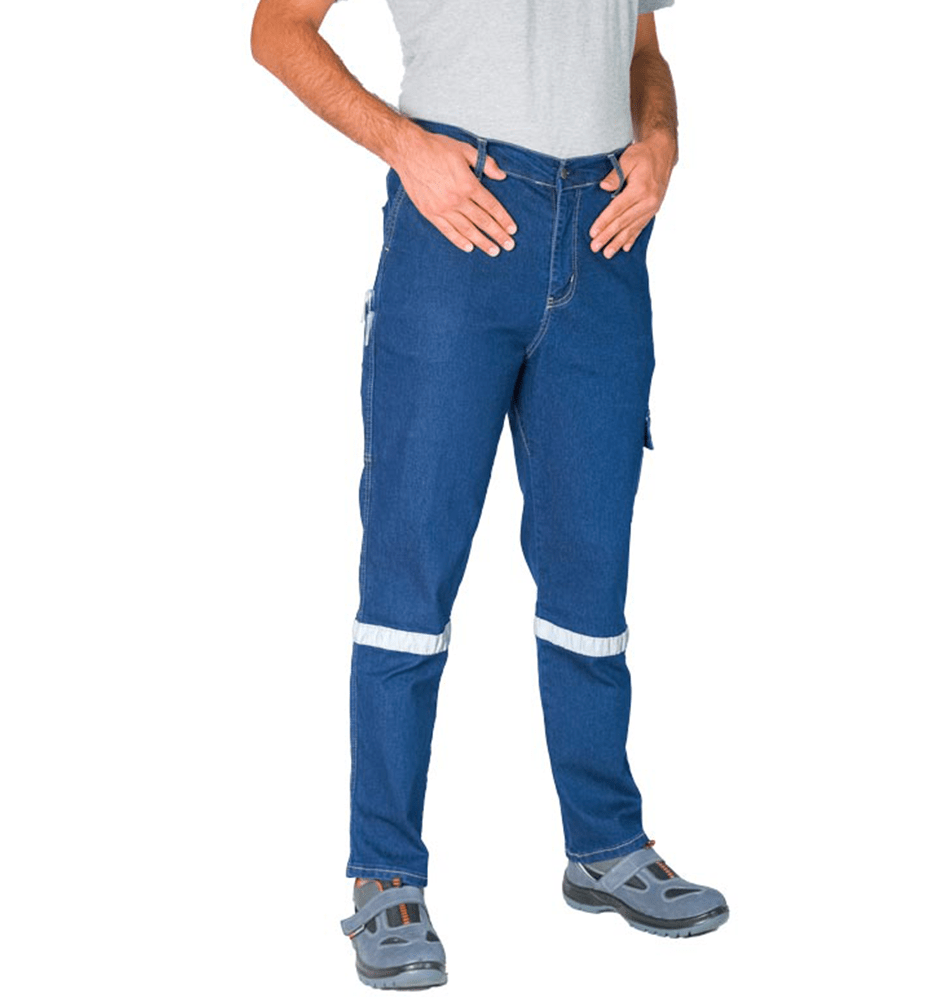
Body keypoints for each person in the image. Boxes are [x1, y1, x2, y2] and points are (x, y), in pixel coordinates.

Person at [251, 0, 729, 989]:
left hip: (605, 236)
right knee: (411, 570)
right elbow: (277, 27)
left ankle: (605, 844)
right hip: (459, 223)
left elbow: (641, 45)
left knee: (591, 571)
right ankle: (385, 873)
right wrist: (403, 145)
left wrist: (660, 143)